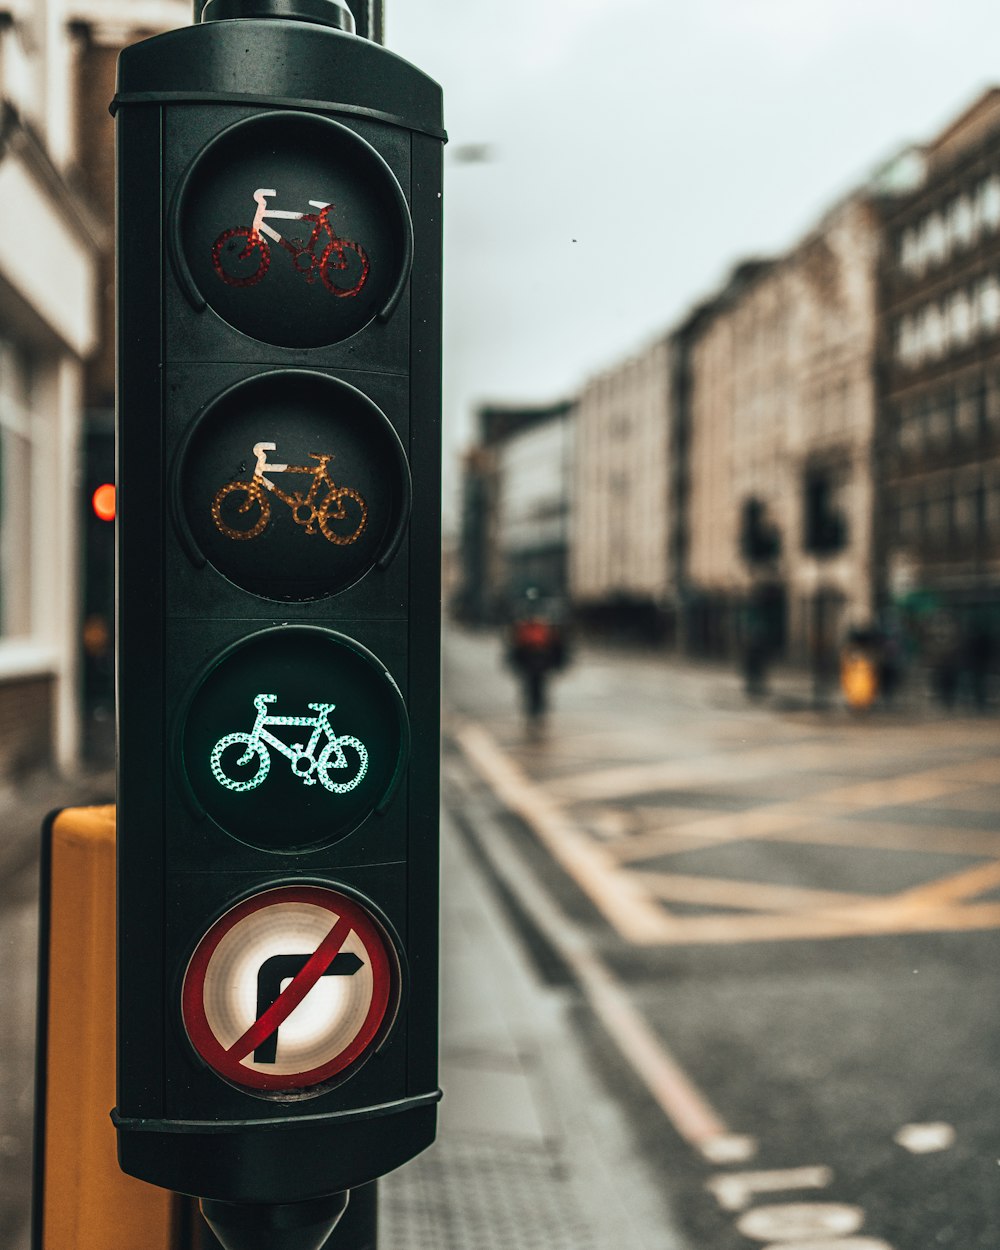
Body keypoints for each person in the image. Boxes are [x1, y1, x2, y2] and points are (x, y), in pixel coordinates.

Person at [506, 610, 568, 721]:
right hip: (530, 661)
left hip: (540, 661)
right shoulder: (525, 628)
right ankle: (534, 709)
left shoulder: (546, 629)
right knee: (531, 686)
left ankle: (538, 708)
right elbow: (516, 648)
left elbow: (557, 648)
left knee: (539, 686)